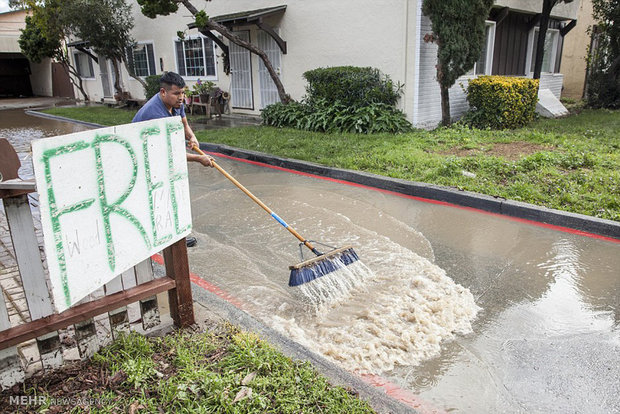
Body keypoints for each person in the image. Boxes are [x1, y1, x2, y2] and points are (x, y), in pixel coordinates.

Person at [133, 71, 215, 247]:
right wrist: (199, 159)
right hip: (142, 156)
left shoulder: (175, 103)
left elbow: (183, 123)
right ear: (163, 92)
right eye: (176, 93)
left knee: (172, 191)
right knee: (157, 195)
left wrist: (192, 137)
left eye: (183, 93)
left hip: (158, 152)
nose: (181, 97)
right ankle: (164, 239)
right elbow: (167, 152)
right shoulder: (155, 115)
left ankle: (174, 235)